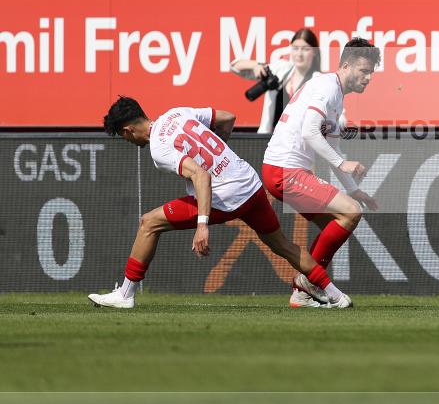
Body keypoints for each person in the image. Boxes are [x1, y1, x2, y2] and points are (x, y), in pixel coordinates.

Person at [89, 97, 352, 309]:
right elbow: (227, 117)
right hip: (250, 183)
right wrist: (220, 152)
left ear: (128, 130)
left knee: (149, 223)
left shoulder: (159, 148)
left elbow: (201, 175)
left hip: (227, 197)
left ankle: (125, 294)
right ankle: (336, 295)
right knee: (283, 245)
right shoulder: (177, 113)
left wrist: (202, 226)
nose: (128, 141)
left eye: (123, 136)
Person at [261, 37, 380, 308]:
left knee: (337, 221)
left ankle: (303, 291)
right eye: (364, 71)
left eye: (371, 72)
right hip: (284, 170)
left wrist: (354, 189)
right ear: (346, 66)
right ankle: (310, 284)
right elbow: (309, 132)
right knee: (351, 212)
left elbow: (333, 145)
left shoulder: (335, 94)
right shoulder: (327, 88)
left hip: (283, 170)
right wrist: (341, 164)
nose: (369, 77)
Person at [230, 29, 320, 133]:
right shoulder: (280, 69)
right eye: (295, 48)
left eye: (305, 49)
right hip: (271, 138)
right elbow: (234, 66)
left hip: (301, 140)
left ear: (315, 51)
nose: (299, 54)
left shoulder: (319, 81)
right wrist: (255, 65)